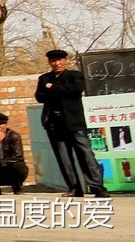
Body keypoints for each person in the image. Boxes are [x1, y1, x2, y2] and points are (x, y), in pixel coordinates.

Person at [36, 49, 108, 198]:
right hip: (53, 122)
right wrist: (58, 90)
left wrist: (53, 88)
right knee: (64, 157)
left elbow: (76, 90)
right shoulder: (44, 78)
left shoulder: (75, 75)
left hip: (74, 123)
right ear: (49, 62)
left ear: (65, 61)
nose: (57, 63)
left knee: (85, 154)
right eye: (54, 61)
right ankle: (74, 187)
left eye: (60, 60)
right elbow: (40, 96)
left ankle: (97, 186)